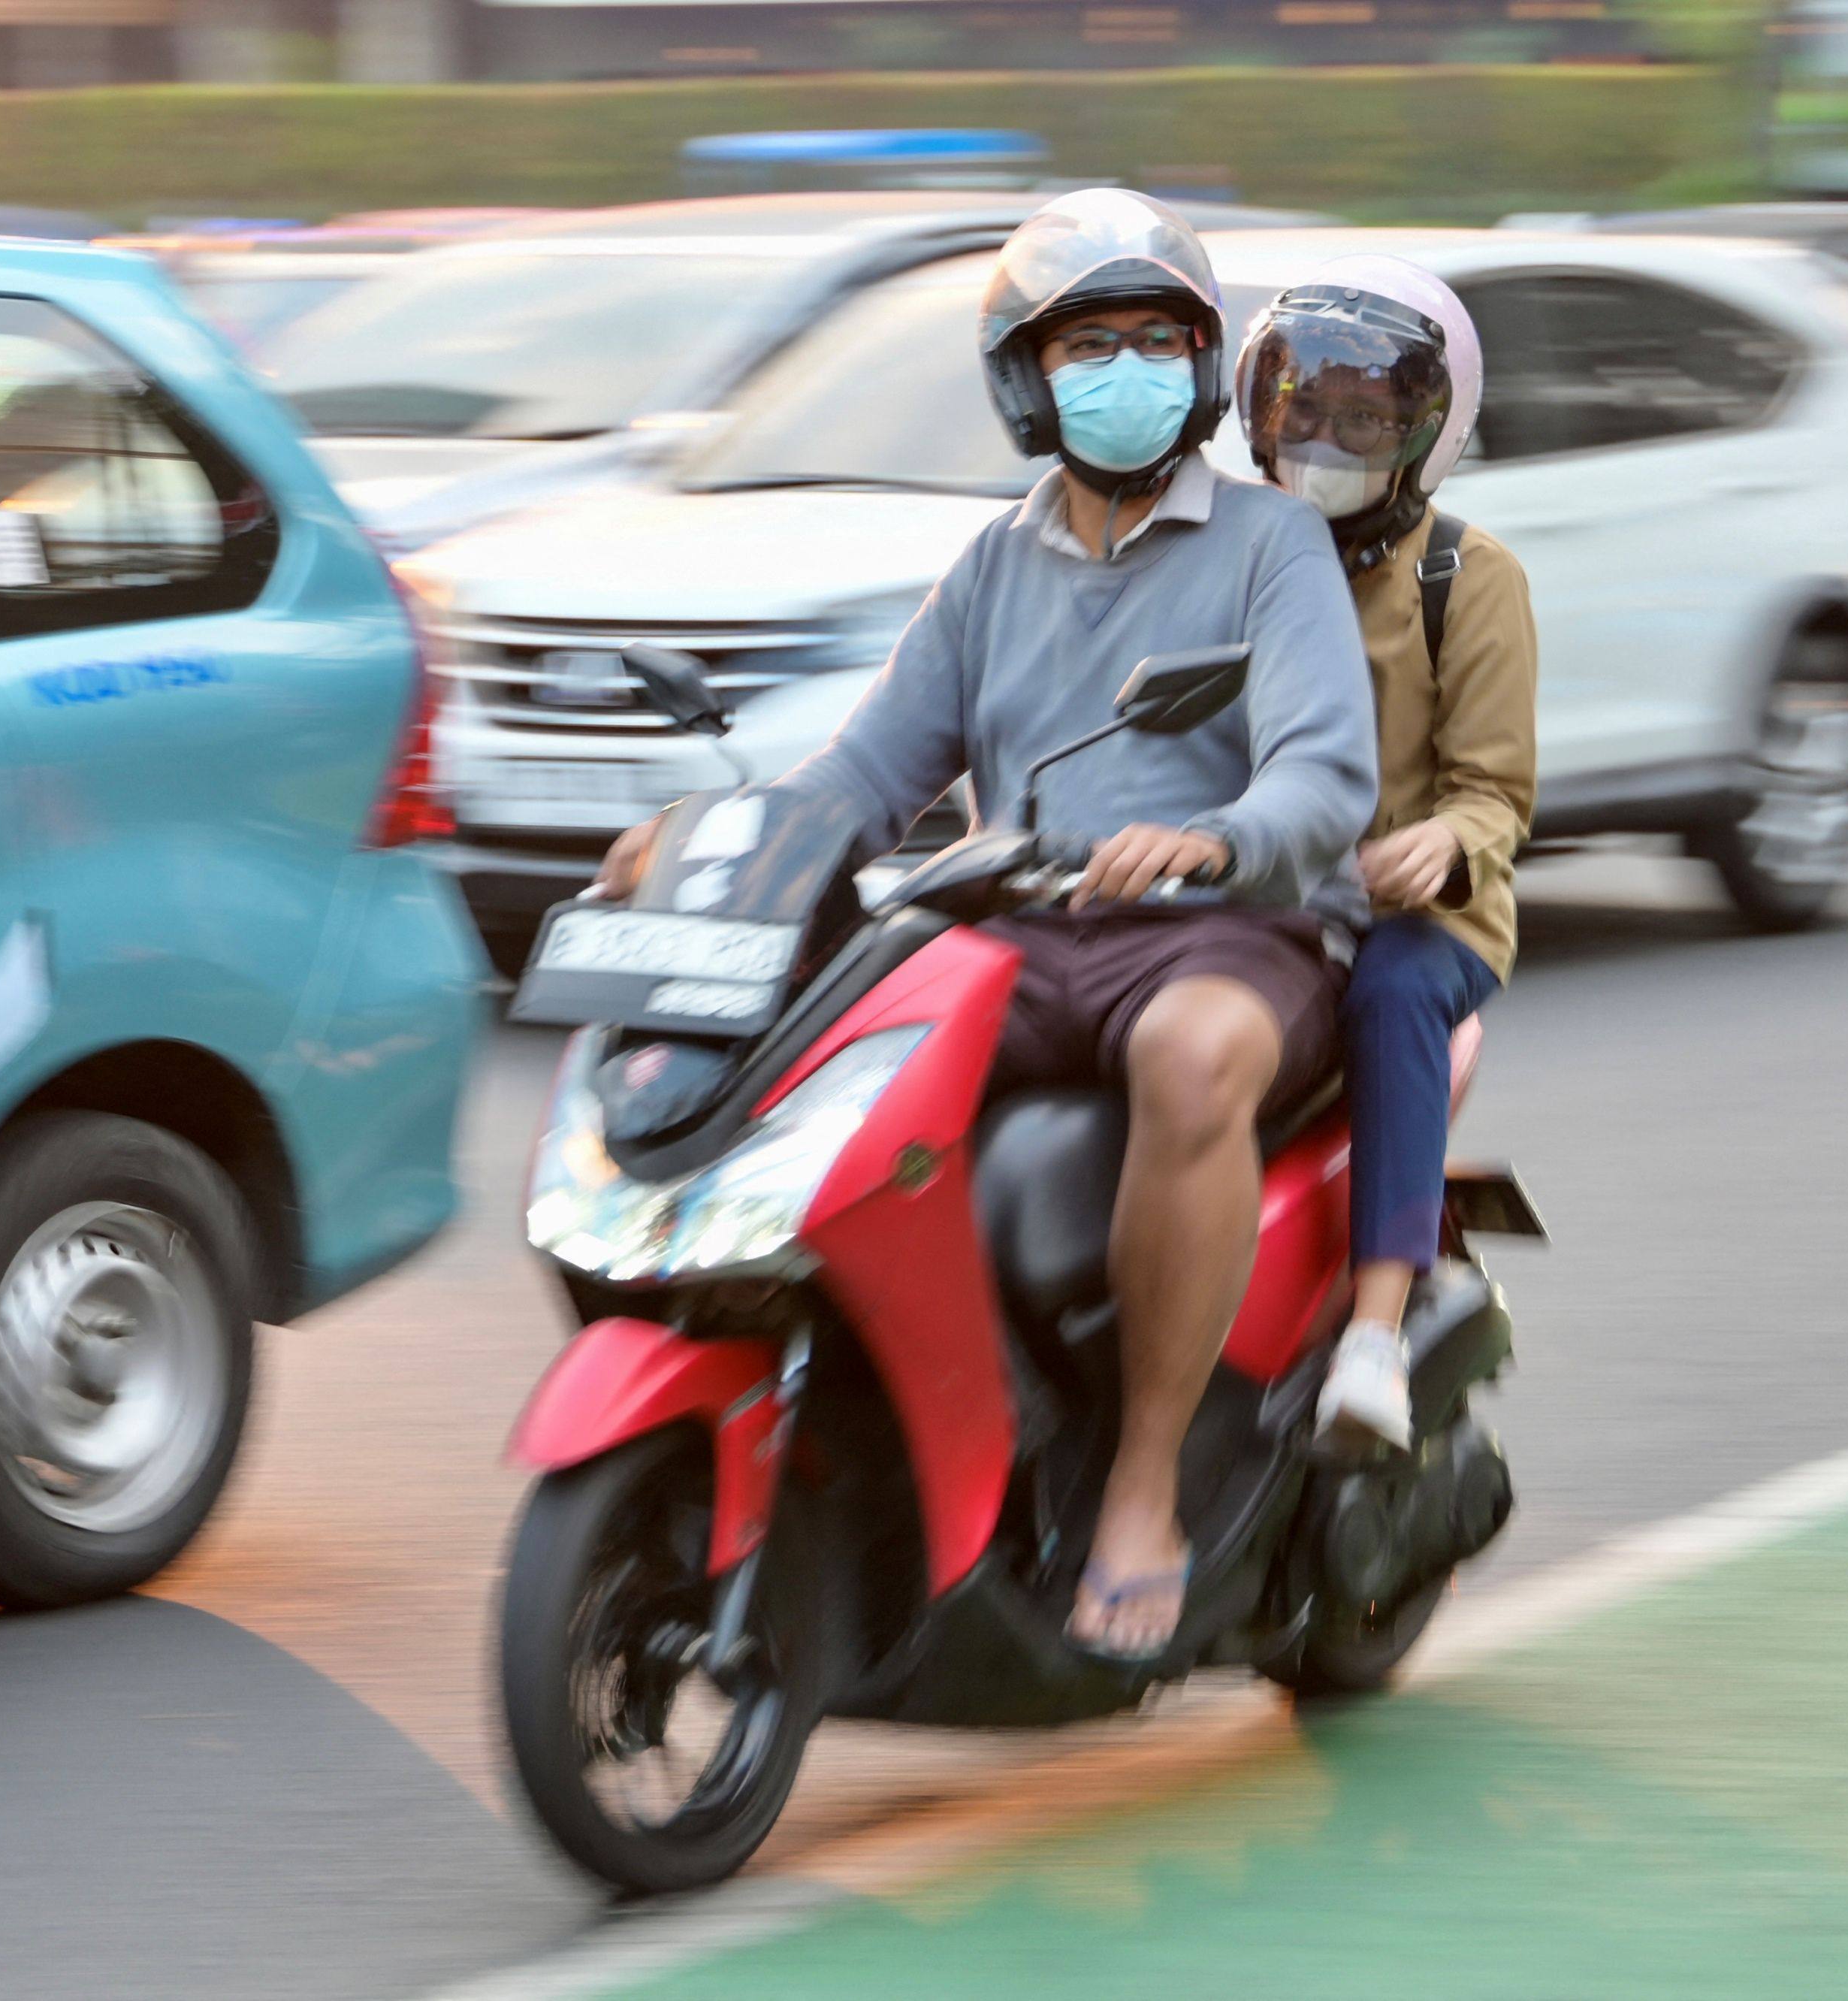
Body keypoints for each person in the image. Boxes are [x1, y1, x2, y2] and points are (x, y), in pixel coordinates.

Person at [597, 191, 1378, 1660]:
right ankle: (927, 1412)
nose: (1128, 370)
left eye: (1158, 340)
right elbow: (866, 771)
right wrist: (712, 839)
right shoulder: (986, 569)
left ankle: (1141, 1481)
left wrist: (1208, 837)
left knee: (1191, 1055)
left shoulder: (1272, 547)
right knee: (831, 1069)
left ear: (1203, 369)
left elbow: (1326, 775)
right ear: (1027, 376)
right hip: (1020, 928)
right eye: (1091, 343)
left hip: (1231, 928)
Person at [1235, 260, 1537, 1454]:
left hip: (1422, 917)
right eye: (1304, 410)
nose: (1325, 439)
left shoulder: (1469, 578)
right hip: (1255, 887)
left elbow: (1497, 790)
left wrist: (1439, 845)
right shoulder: (1229, 555)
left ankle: (1372, 1333)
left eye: (1362, 418)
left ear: (1425, 430)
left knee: (1396, 987)